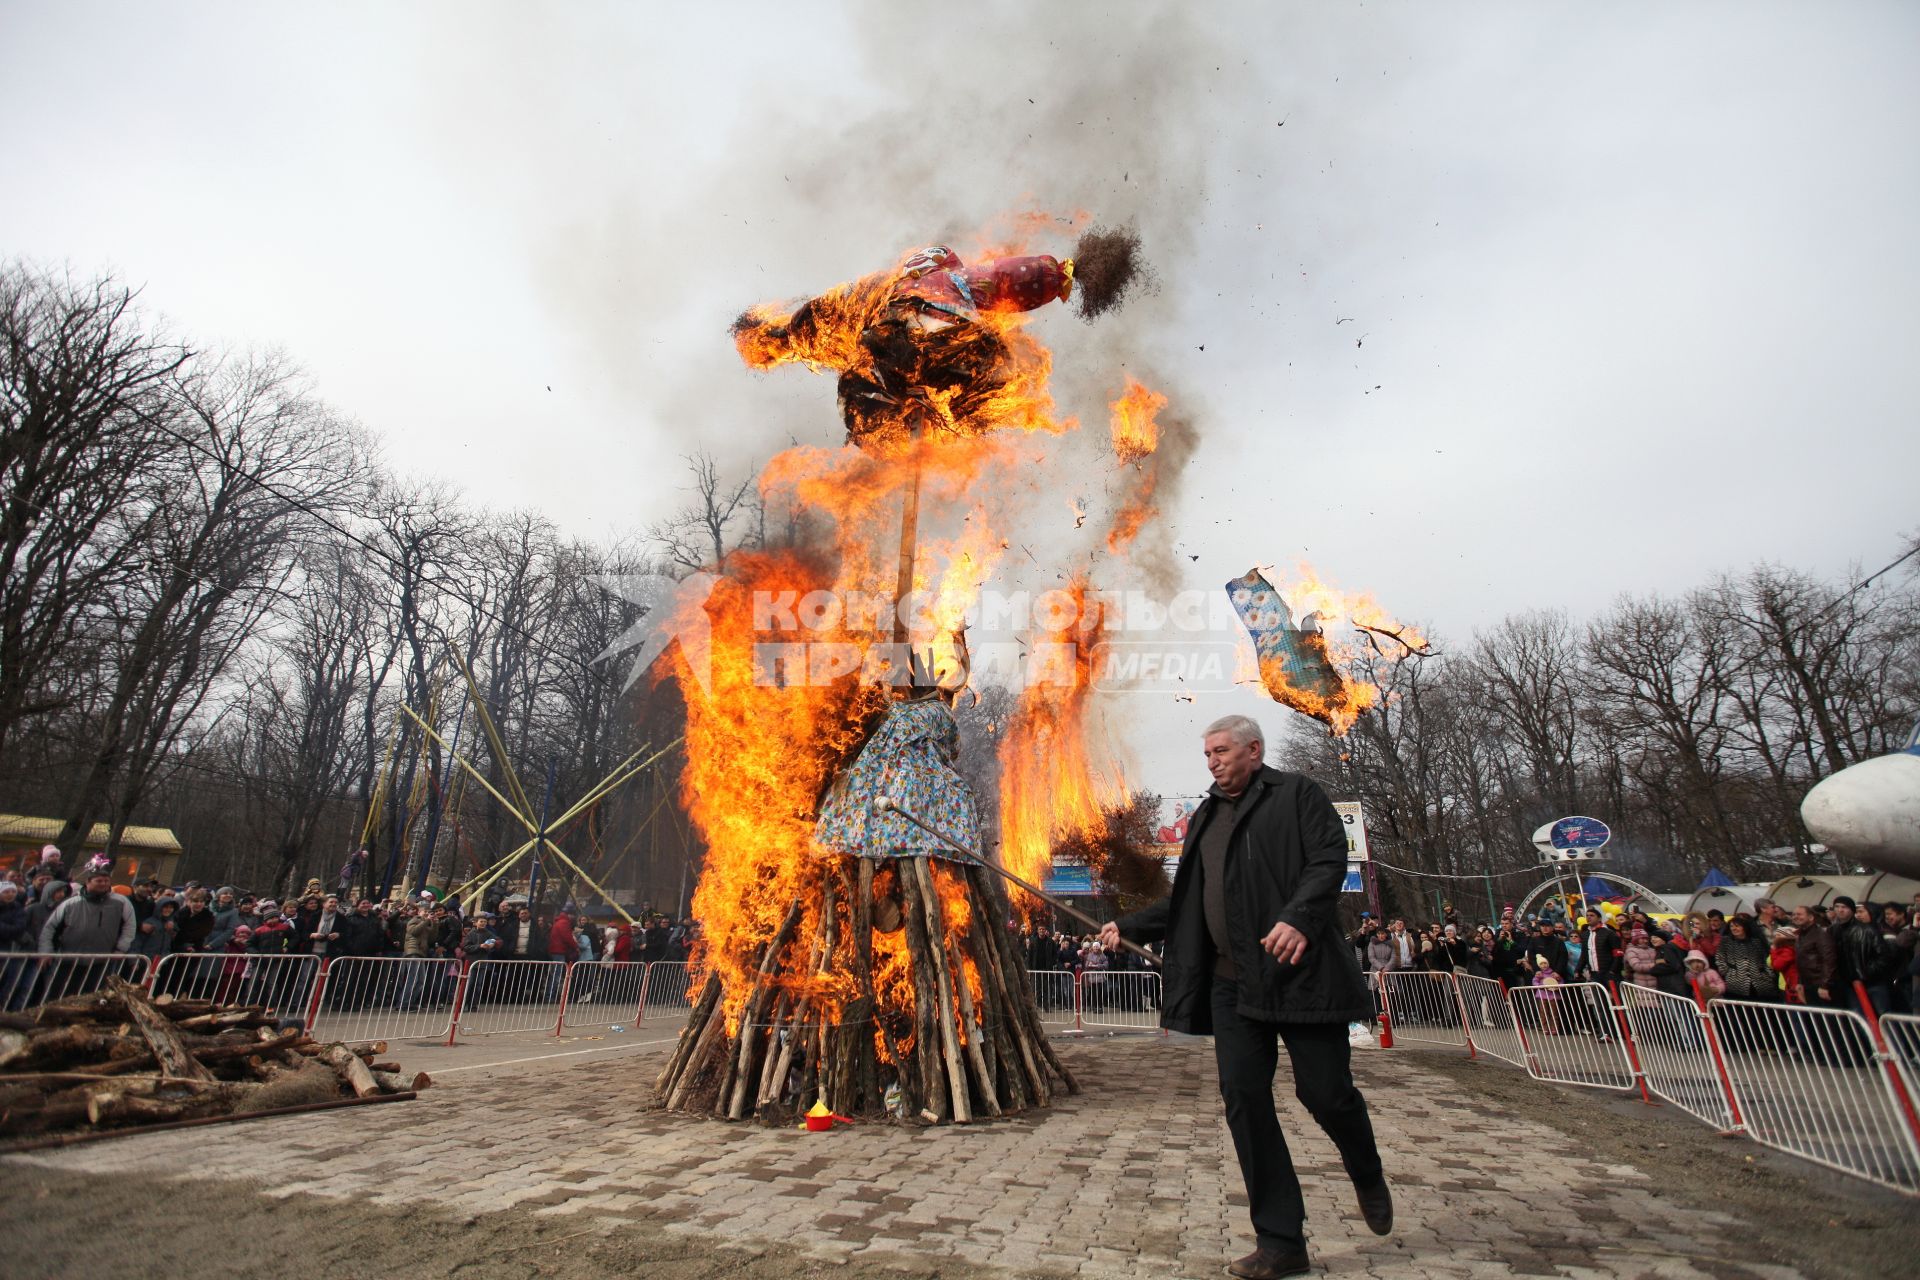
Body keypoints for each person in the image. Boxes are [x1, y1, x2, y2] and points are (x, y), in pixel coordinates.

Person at [1101, 714, 1388, 1280]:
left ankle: (1365, 1167)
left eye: (1221, 751)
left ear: (1254, 750)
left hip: (1299, 975)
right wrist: (1130, 925)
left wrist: (1299, 918)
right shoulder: (1204, 816)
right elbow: (1189, 900)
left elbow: (1329, 861)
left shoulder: (1298, 795)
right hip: (1232, 985)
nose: (1212, 761)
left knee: (1326, 1095)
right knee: (1245, 1101)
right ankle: (1281, 1240)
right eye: (1206, 753)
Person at [38, 870, 135, 954]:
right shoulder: (70, 903)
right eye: (99, 881)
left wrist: (121, 949)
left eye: (106, 881)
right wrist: (46, 950)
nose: (103, 884)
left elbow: (129, 926)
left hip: (106, 959)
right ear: (88, 882)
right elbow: (50, 927)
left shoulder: (121, 902)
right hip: (68, 958)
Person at [1713, 915, 1777, 1002]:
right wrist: (1727, 972)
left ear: (1744, 927)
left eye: (1737, 926)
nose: (1734, 928)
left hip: (1761, 982)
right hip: (1736, 982)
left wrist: (1769, 974)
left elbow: (1765, 960)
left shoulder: (1756, 942)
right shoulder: (1726, 941)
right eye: (1731, 926)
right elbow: (1719, 958)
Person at [1789, 905, 1838, 1007]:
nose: (1795, 917)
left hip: (1820, 984)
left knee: (1828, 1019)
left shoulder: (1820, 935)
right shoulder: (1801, 935)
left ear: (1811, 917)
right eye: (1793, 914)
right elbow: (1801, 960)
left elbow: (1829, 960)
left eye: (1799, 914)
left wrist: (1825, 985)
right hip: (1808, 984)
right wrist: (1800, 982)